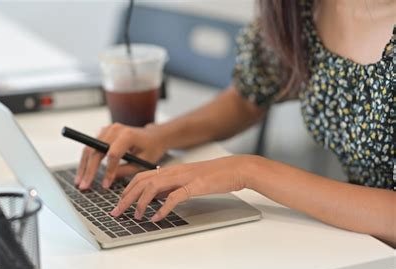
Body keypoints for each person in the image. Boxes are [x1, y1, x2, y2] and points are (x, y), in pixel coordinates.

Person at [75, 0, 395, 247]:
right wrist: (159, 136)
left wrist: (249, 171)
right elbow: (248, 96)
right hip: (367, 248)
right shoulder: (301, 8)